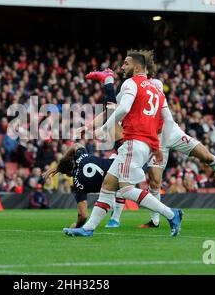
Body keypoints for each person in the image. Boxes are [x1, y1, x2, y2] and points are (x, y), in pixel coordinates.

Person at [63, 50, 183, 238]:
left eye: (126, 64)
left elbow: (123, 109)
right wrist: (157, 147)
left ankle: (171, 214)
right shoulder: (156, 90)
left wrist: (104, 129)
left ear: (137, 67)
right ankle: (87, 229)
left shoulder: (131, 83)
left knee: (126, 189)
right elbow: (166, 120)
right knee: (108, 186)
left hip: (133, 142)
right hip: (144, 143)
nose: (122, 67)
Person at [133, 50, 215, 229]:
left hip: (172, 132)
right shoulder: (131, 86)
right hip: (156, 139)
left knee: (206, 156)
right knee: (154, 181)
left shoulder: (155, 83)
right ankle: (155, 221)